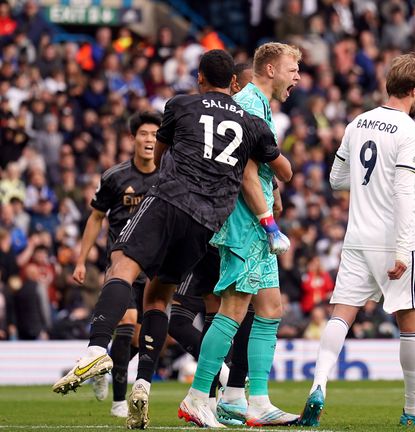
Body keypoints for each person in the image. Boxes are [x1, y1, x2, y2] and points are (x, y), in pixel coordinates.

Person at [52, 49, 284, 431]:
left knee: (122, 266)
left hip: (170, 200)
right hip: (208, 223)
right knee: (160, 295)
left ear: (199, 78)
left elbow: (160, 159)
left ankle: (96, 348)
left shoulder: (180, 104)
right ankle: (144, 383)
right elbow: (277, 167)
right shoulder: (254, 123)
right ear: (236, 83)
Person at [297, 53, 415, 427]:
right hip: (396, 240)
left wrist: (368, 185)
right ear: (413, 91)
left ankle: (318, 385)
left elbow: (336, 180)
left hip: (357, 237)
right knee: (411, 323)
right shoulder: (411, 131)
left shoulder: (357, 123)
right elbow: (403, 192)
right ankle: (413, 409)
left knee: (341, 314)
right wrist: (402, 248)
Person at [178, 42, 299, 428]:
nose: (296, 76)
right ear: (269, 69)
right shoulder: (247, 104)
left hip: (257, 217)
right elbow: (244, 171)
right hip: (246, 222)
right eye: (291, 68)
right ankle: (197, 397)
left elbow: (258, 167)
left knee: (270, 308)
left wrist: (274, 192)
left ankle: (251, 399)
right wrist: (267, 219)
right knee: (232, 308)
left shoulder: (259, 104)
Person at [72, 111, 161, 417]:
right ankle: (119, 403)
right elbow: (96, 217)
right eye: (144, 134)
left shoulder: (167, 175)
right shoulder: (115, 177)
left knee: (137, 335)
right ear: (132, 138)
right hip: (122, 262)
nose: (149, 140)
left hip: (153, 266)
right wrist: (81, 260)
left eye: (154, 135)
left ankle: (103, 367)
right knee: (127, 321)